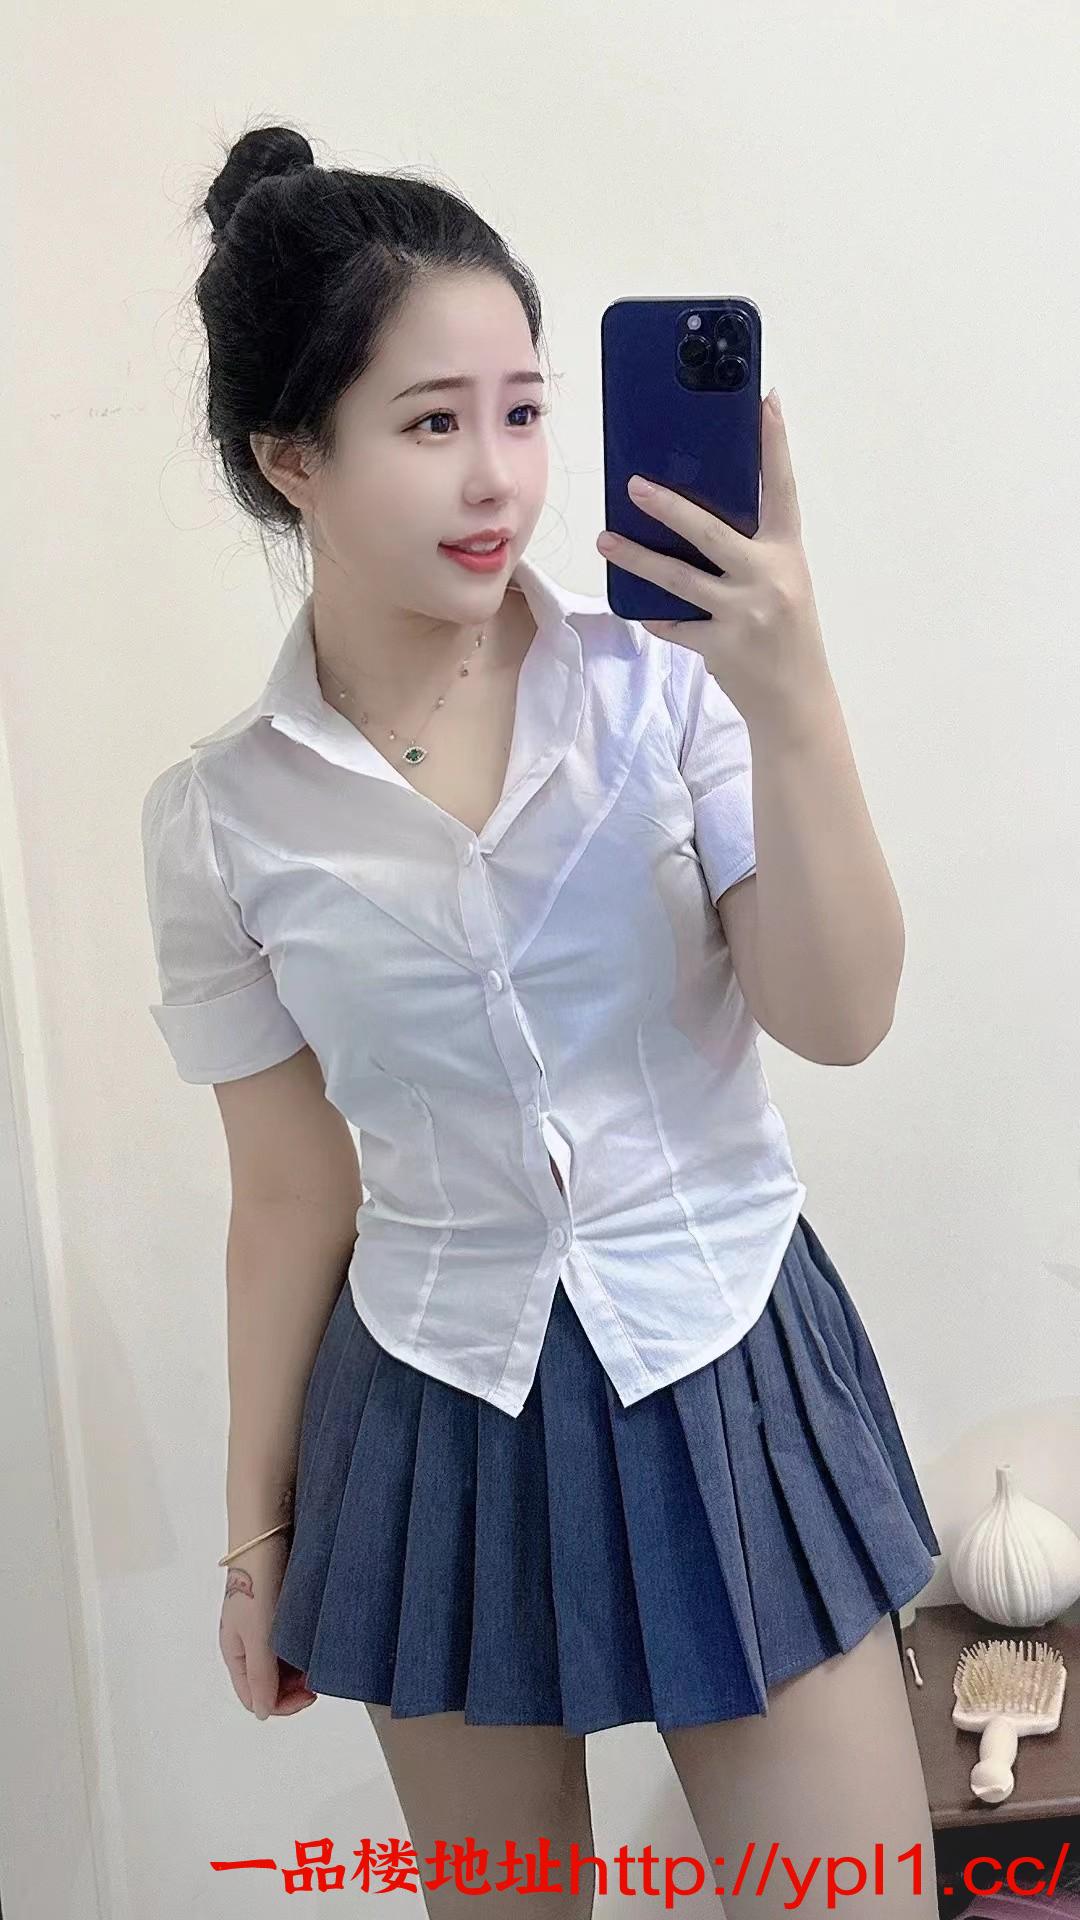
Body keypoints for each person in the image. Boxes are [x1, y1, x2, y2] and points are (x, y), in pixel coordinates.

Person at [140, 123, 943, 1917]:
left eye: (522, 408)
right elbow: (288, 1194)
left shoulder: (667, 691)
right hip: (434, 1409)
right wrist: (257, 1531)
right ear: (291, 458)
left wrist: (792, 695)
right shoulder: (220, 821)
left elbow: (841, 1016)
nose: (496, 473)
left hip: (725, 1352)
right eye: (432, 421)